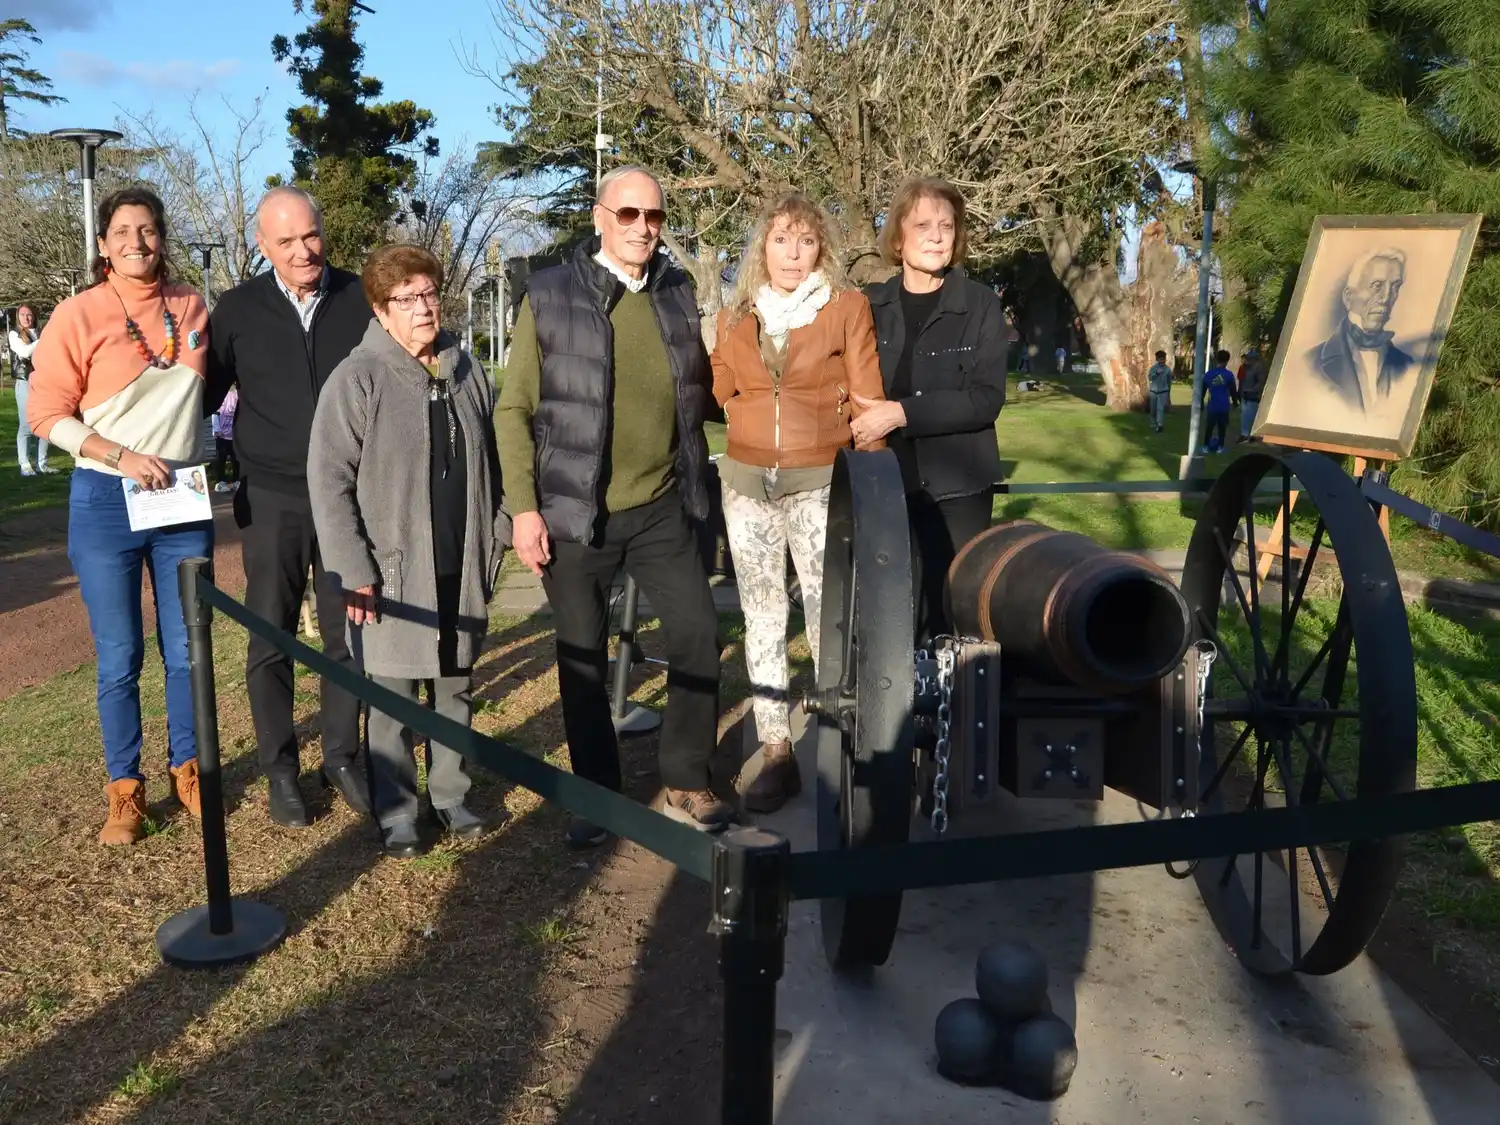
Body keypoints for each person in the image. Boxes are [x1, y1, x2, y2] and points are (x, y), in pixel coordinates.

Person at [496, 164, 734, 845]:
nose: (643, 228)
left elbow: (703, 393)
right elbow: (513, 410)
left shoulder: (678, 293)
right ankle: (597, 797)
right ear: (599, 217)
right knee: (581, 658)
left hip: (661, 504)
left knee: (694, 635)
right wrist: (524, 509)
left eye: (654, 217)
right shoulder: (549, 294)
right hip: (576, 514)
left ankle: (687, 779)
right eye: (628, 215)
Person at [26, 186, 212, 845]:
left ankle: (190, 769)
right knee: (120, 654)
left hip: (183, 500)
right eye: (124, 230)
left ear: (163, 237)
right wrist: (121, 454)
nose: (138, 240)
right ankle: (125, 792)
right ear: (103, 244)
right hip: (106, 498)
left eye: (149, 228)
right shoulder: (77, 314)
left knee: (188, 647)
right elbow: (45, 412)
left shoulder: (192, 305)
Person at [309, 245, 508, 858]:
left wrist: (495, 537)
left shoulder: (467, 370)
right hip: (390, 573)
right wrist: (355, 569)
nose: (424, 309)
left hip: (459, 561)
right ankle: (397, 811)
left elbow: (498, 468)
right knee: (393, 698)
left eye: (430, 295)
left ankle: (450, 795)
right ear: (381, 308)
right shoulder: (358, 376)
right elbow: (328, 480)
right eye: (407, 299)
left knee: (454, 687)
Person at [710, 193, 884, 814]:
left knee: (824, 614)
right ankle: (777, 751)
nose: (792, 252)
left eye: (805, 240)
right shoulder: (737, 314)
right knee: (760, 615)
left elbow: (868, 398)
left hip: (821, 482)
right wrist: (742, 414)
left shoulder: (846, 309)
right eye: (780, 239)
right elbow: (721, 384)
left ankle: (838, 745)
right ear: (763, 247)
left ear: (822, 249)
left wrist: (872, 485)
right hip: (747, 483)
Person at [206, 186, 374, 828]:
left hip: (346, 495)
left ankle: (342, 756)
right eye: (286, 241)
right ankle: (281, 769)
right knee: (270, 634)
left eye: (311, 235)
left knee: (346, 635)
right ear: (262, 246)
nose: (304, 250)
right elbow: (203, 395)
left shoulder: (360, 298)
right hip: (271, 495)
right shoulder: (238, 309)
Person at [853, 177, 1009, 648]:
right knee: (892, 608)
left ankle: (954, 712)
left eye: (946, 225)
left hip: (958, 485)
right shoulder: (867, 305)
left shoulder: (980, 305)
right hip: (883, 479)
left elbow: (985, 398)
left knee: (953, 610)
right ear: (898, 238)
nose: (937, 235)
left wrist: (901, 412)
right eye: (922, 225)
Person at [1305, 247, 1414, 413]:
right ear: (1349, 297)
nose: (1386, 297)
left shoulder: (1408, 366)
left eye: (1395, 287)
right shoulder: (1310, 363)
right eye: (1377, 285)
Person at [10, 305, 52, 476]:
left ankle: (42, 463)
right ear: (17, 316)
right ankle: (25, 464)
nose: (26, 318)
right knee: (26, 425)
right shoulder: (15, 334)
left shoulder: (40, 333)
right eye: (22, 314)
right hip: (25, 383)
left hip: (44, 382)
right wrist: (45, 339)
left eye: (29, 314)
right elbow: (25, 352)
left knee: (45, 422)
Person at [1199, 349, 1238, 454]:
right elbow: (1233, 391)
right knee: (1222, 427)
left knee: (1209, 427)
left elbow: (1202, 390)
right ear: (1227, 361)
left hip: (1213, 405)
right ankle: (1220, 447)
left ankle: (1206, 447)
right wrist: (1235, 403)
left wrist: (1201, 403)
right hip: (1224, 405)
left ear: (1216, 360)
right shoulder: (1229, 375)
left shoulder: (1208, 374)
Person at [1237, 346, 1268, 441]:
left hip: (1253, 397)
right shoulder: (1245, 368)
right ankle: (1244, 434)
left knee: (1251, 416)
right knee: (1244, 416)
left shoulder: (1259, 368)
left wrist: (1252, 390)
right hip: (1245, 396)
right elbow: (1241, 380)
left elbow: (1260, 382)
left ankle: (1251, 435)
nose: (1248, 359)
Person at [211, 384, 239, 490]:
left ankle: (237, 480)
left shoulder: (238, 395)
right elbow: (215, 413)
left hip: (234, 435)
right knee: (220, 459)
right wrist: (217, 429)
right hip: (222, 435)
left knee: (236, 459)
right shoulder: (221, 395)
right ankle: (220, 481)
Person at [1146, 349, 1173, 432]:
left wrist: (1168, 393)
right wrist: (1156, 373)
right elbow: (1150, 378)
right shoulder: (1153, 368)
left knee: (1160, 409)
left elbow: (1169, 382)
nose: (1162, 361)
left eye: (1163, 359)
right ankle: (1153, 423)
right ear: (1157, 359)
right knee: (1153, 409)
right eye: (1160, 359)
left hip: (1163, 392)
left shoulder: (1168, 370)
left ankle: (1160, 425)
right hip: (1153, 391)